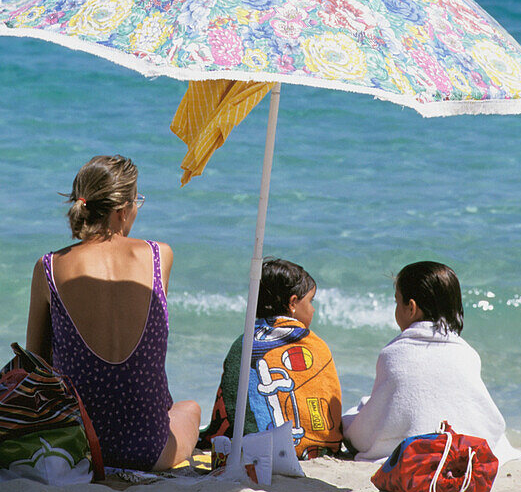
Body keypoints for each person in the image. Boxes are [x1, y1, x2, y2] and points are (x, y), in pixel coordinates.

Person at [26, 154, 200, 471]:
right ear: (122, 210)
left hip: (77, 449)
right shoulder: (161, 255)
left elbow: (36, 365)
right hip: (148, 449)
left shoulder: (49, 267)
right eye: (138, 202)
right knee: (189, 409)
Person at [342, 261, 521, 466]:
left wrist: (348, 427)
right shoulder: (467, 353)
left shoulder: (392, 354)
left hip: (411, 452)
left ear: (411, 308)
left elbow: (367, 433)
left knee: (356, 413)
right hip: (459, 445)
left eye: (397, 301)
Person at [200, 258, 342, 459]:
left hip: (255, 448)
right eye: (310, 301)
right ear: (293, 302)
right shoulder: (315, 345)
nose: (313, 310)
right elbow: (327, 399)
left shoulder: (246, 342)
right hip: (315, 449)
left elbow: (230, 401)